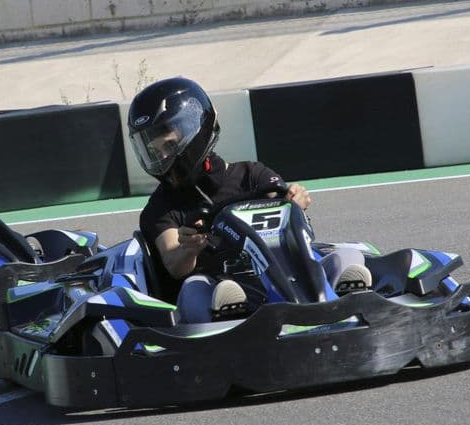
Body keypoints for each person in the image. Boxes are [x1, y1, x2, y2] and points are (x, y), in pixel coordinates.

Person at [129, 77, 372, 323]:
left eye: (169, 145)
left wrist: (295, 202)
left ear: (195, 129)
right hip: (219, 281)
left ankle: (353, 301)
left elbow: (287, 211)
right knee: (194, 288)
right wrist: (188, 249)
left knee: (348, 256)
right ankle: (232, 318)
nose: (162, 158)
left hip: (282, 273)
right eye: (154, 151)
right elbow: (173, 262)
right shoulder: (160, 208)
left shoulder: (252, 175)